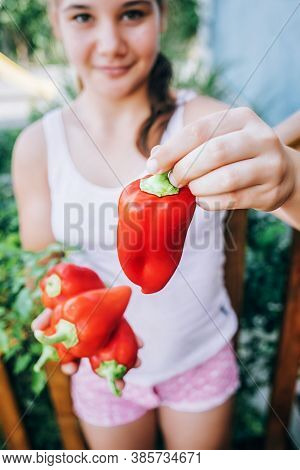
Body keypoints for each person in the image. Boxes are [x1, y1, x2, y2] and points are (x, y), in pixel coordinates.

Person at [11, 0, 300, 451]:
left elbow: (284, 192)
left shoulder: (211, 125)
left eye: (132, 13)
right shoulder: (37, 148)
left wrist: (291, 181)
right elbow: (47, 270)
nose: (111, 44)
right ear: (55, 23)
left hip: (200, 356)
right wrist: (61, 320)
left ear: (162, 17)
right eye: (83, 16)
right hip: (106, 362)